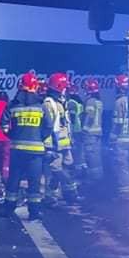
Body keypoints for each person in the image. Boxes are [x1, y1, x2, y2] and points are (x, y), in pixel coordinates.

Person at [0, 73, 53, 220]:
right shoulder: (41, 106)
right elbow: (48, 127)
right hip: (36, 152)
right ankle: (34, 213)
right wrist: (39, 137)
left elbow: (3, 125)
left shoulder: (13, 105)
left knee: (13, 180)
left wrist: (13, 135)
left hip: (17, 149)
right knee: (34, 182)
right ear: (35, 87)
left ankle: (8, 210)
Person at [41, 72, 79, 205]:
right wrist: (49, 147)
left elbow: (65, 123)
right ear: (59, 87)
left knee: (66, 168)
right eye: (64, 87)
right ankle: (59, 195)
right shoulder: (48, 103)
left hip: (65, 144)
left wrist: (70, 140)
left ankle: (58, 196)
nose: (66, 90)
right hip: (54, 145)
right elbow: (49, 126)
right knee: (55, 170)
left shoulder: (62, 102)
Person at [110, 73, 129, 199]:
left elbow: (118, 123)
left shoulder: (119, 102)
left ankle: (125, 193)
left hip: (121, 140)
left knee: (122, 167)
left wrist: (112, 137)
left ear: (119, 87)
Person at [81, 77, 104, 180]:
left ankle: (94, 180)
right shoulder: (99, 102)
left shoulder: (90, 101)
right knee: (97, 157)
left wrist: (84, 129)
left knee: (91, 158)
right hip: (98, 133)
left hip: (90, 134)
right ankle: (99, 178)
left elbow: (90, 116)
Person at [65, 82, 86, 177]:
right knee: (79, 151)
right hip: (80, 128)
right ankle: (81, 170)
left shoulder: (71, 103)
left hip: (74, 130)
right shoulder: (80, 101)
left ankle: (75, 172)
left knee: (75, 151)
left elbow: (72, 117)